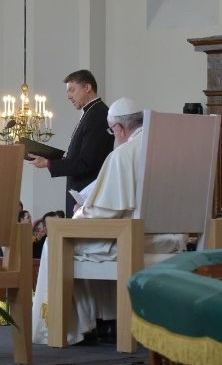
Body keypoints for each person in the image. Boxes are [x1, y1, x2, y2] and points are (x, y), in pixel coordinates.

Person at [32, 98, 187, 346]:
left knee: (56, 243)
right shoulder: (169, 151)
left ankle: (67, 327)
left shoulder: (122, 156)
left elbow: (103, 213)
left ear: (119, 129)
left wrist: (82, 209)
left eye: (111, 131)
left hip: (130, 244)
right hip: (166, 241)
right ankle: (105, 321)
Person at [29, 70, 114, 217]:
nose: (69, 96)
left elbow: (87, 163)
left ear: (87, 88)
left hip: (87, 196)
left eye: (72, 90)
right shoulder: (91, 113)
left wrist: (49, 163)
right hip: (82, 194)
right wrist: (50, 159)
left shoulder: (97, 115)